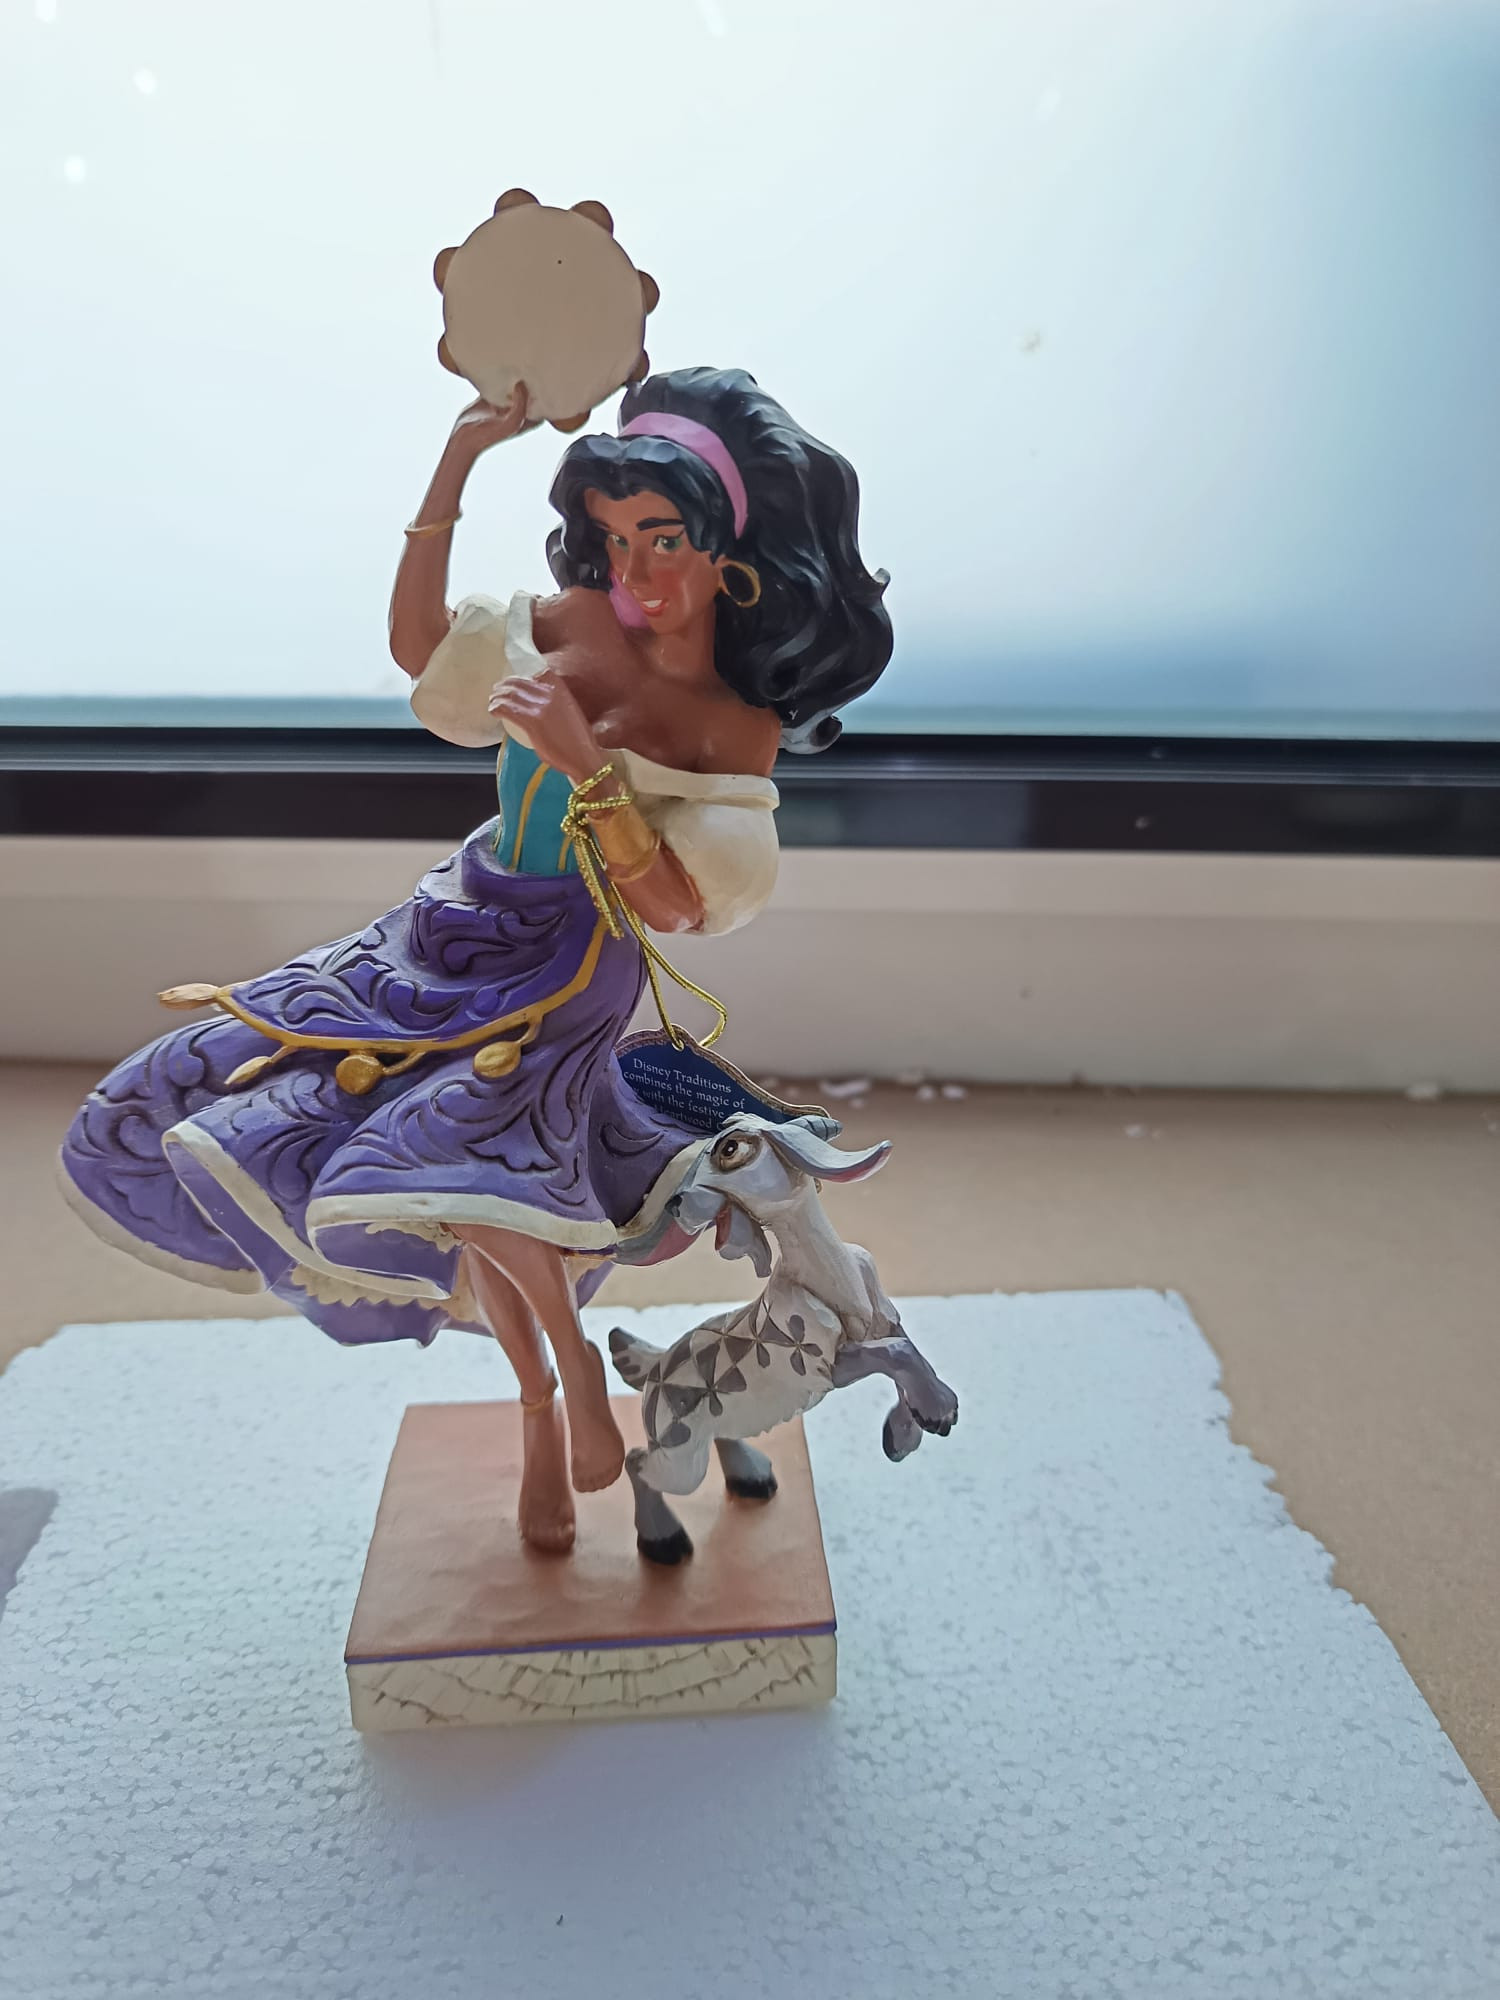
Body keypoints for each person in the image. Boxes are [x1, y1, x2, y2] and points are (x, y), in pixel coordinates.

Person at [60, 365, 892, 1553]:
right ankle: (548, 1402)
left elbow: (678, 903)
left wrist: (584, 759)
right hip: (452, 924)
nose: (636, 570)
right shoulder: (573, 622)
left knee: (471, 1168)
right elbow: (421, 650)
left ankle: (570, 1389)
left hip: (570, 962)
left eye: (663, 539)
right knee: (349, 1126)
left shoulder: (731, 718)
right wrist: (459, 454)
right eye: (613, 539)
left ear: (730, 554)